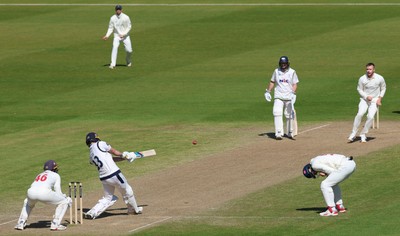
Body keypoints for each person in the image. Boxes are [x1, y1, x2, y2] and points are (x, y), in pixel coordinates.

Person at [84, 132, 143, 219]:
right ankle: (133, 210)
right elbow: (114, 151)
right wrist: (124, 154)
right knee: (127, 191)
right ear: (96, 138)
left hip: (104, 178)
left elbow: (110, 159)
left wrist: (124, 158)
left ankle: (92, 213)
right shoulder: (100, 143)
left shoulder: (91, 155)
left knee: (108, 198)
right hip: (114, 174)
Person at [15, 160, 72, 231]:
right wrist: (63, 197)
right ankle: (55, 224)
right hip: (44, 193)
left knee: (27, 202)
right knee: (65, 201)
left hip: (31, 192)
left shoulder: (40, 174)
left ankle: (21, 222)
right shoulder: (56, 175)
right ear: (53, 168)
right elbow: (58, 191)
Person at [348, 62, 386, 143]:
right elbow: (359, 89)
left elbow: (383, 88)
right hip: (364, 100)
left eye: (370, 69)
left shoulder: (380, 78)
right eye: (367, 69)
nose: (368, 71)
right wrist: (366, 96)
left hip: (375, 100)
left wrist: (380, 99)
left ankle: (363, 134)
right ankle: (353, 133)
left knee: (371, 117)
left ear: (374, 70)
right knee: (360, 114)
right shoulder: (362, 78)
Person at [264, 56, 299, 140]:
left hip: (289, 96)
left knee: (289, 114)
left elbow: (295, 84)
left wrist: (293, 93)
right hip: (278, 96)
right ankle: (279, 133)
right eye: (282, 63)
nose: (283, 65)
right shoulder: (276, 71)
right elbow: (272, 81)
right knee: (276, 112)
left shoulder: (292, 72)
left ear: (287, 63)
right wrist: (268, 91)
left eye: (285, 63)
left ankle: (290, 132)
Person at [102, 4, 133, 69]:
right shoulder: (112, 18)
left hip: (125, 36)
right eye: (117, 10)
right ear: (115, 10)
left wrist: (124, 34)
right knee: (115, 47)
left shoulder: (126, 17)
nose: (118, 11)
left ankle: (128, 61)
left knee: (129, 51)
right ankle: (113, 64)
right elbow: (110, 28)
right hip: (117, 36)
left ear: (121, 10)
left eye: (119, 9)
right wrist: (107, 35)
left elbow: (129, 27)